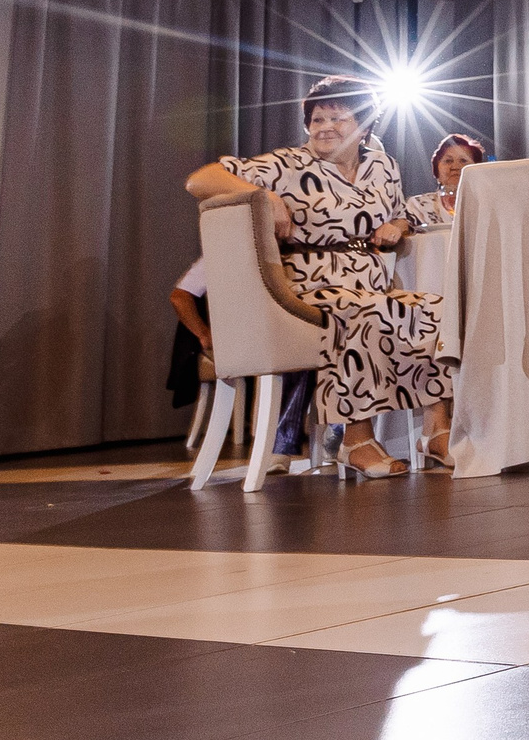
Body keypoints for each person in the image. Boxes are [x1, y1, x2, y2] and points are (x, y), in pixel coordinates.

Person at [182, 77, 451, 476]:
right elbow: (200, 180)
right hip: (309, 287)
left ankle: (436, 430)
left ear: (364, 125)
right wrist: (266, 197)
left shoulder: (384, 166)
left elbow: (398, 212)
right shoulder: (289, 163)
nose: (324, 126)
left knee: (433, 307)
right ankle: (355, 439)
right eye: (317, 118)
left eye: (338, 118)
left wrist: (397, 224)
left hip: (371, 281)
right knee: (360, 310)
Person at [402, 133, 485, 231]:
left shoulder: (486, 205)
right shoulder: (418, 206)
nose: (455, 167)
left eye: (463, 160)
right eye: (448, 161)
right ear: (437, 170)